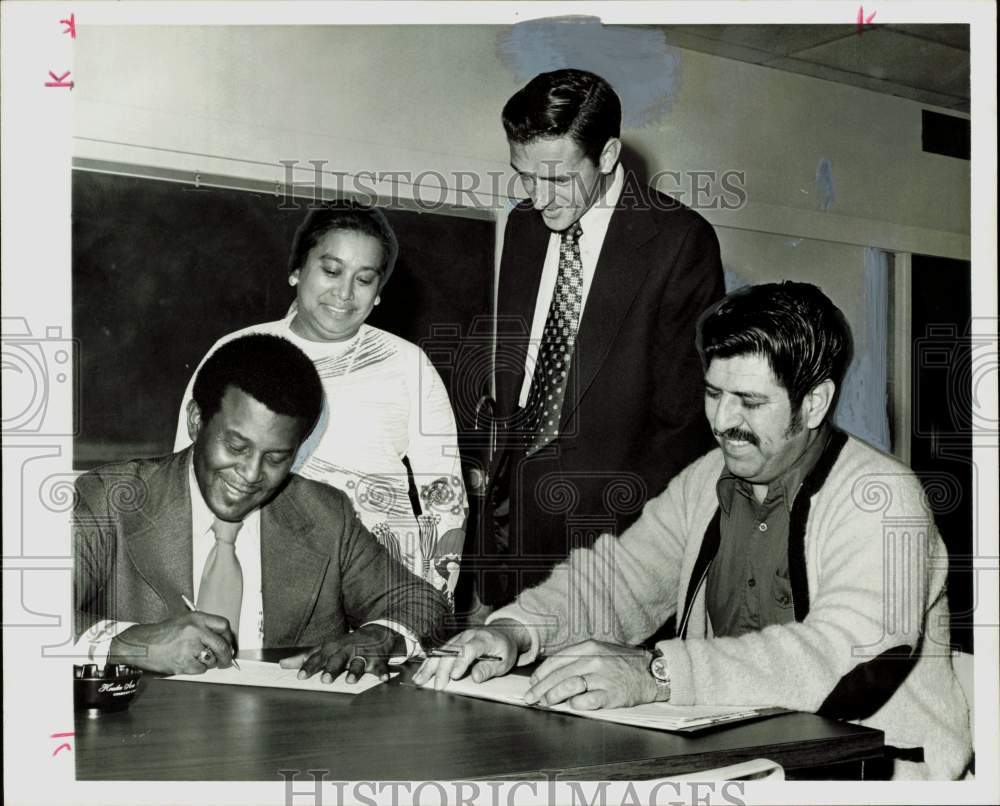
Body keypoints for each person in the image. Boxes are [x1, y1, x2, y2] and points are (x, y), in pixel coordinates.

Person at [417, 283, 973, 780]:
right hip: (742, 758)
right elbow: (620, 579)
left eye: (751, 402)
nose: (722, 421)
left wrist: (659, 672)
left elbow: (850, 657)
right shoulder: (706, 479)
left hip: (877, 772)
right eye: (713, 393)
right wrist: (516, 632)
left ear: (815, 403)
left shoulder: (882, 496)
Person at [477, 68, 725, 609]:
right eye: (525, 176)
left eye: (558, 180)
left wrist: (628, 540)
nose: (539, 200)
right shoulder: (522, 227)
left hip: (613, 532)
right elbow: (515, 366)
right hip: (514, 515)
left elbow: (683, 421)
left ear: (608, 155)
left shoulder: (679, 241)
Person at [75, 334, 447, 681]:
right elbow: (26, 616)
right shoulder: (110, 499)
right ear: (195, 421)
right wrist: (134, 644)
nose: (251, 474)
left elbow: (419, 601)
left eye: (276, 457)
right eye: (236, 447)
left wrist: (382, 636)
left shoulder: (326, 515)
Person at [174, 203, 466, 605]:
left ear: (378, 293)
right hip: (260, 581)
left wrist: (427, 606)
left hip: (379, 588)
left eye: (364, 279)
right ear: (296, 269)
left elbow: (445, 495)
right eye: (331, 271)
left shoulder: (407, 364)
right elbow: (186, 476)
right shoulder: (238, 352)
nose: (344, 293)